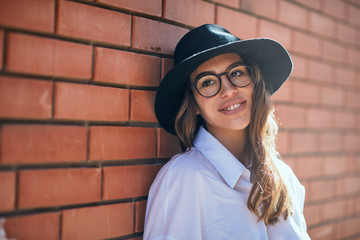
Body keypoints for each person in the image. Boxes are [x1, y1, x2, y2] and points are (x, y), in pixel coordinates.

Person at [144, 24, 310, 240]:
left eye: (237, 73)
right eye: (208, 82)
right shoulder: (183, 178)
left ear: (254, 84)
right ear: (193, 104)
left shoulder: (284, 176)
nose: (229, 90)